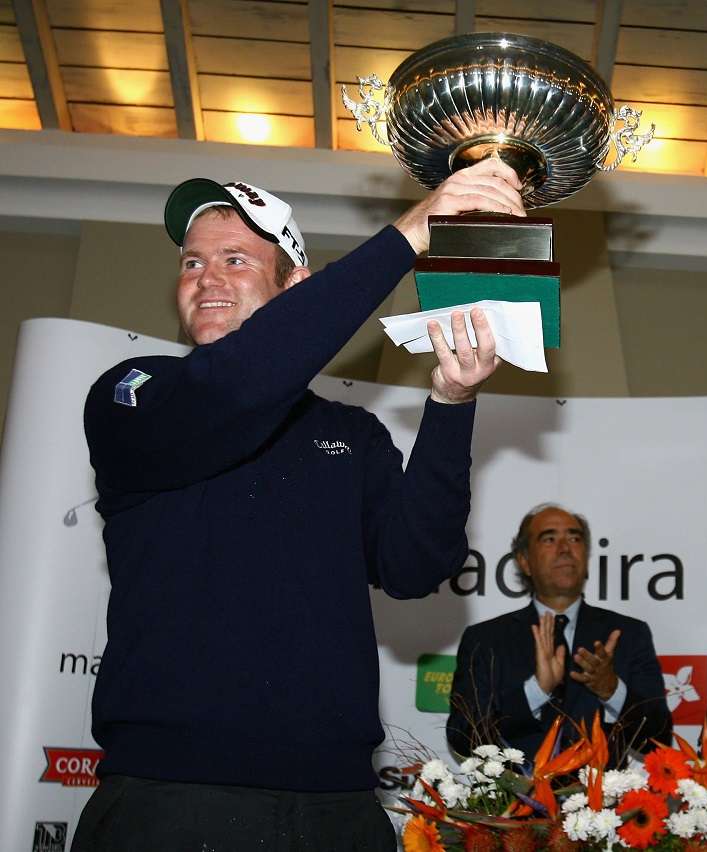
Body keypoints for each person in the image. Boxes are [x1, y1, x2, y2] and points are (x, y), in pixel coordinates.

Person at [73, 161, 526, 850]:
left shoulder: (351, 434)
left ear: (297, 289)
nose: (205, 278)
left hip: (338, 809)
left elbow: (415, 564)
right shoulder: (135, 393)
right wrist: (408, 233)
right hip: (169, 805)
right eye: (192, 262)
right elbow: (236, 388)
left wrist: (451, 404)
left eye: (235, 259)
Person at [447, 504, 672, 765]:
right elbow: (463, 736)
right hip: (513, 802)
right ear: (525, 561)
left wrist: (612, 690)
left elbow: (659, 737)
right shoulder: (485, 640)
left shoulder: (628, 634)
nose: (565, 549)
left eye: (574, 538)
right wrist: (536, 691)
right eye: (549, 539)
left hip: (604, 802)